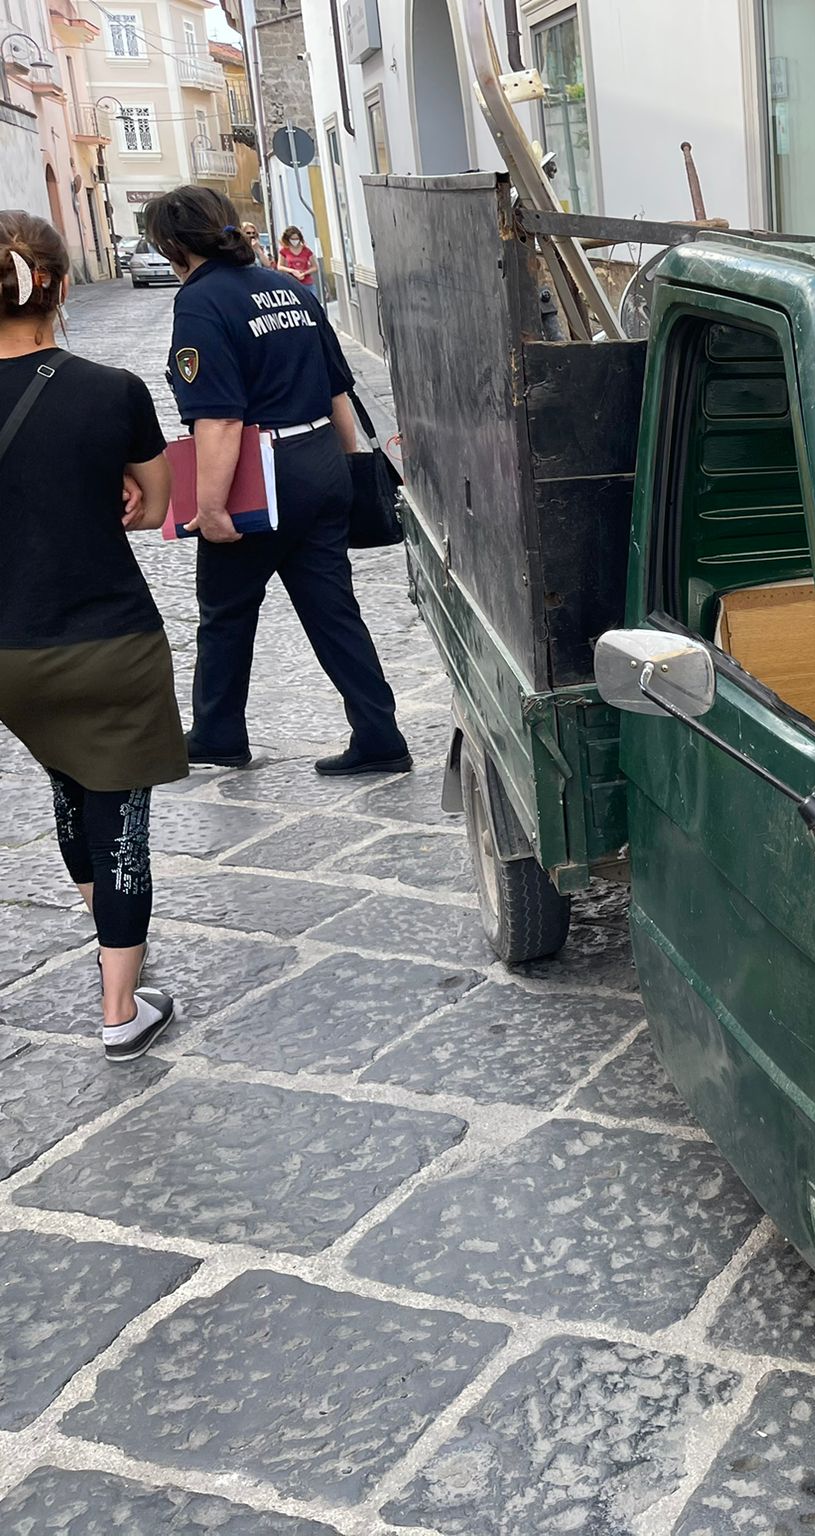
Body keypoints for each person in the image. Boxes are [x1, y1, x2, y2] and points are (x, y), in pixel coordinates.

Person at [146, 186, 411, 776]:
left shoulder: (200, 303)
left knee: (225, 609)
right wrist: (348, 467)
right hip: (320, 459)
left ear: (170, 245)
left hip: (258, 474)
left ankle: (218, 732)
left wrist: (210, 508)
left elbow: (219, 418)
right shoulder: (287, 286)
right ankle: (380, 734)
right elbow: (339, 388)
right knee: (333, 610)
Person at [0, 210, 182, 1060]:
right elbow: (154, 505)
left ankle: (106, 932)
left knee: (69, 779)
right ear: (62, 287)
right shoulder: (113, 391)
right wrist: (114, 492)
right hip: (109, 641)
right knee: (122, 816)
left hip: (10, 653)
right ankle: (120, 1009)